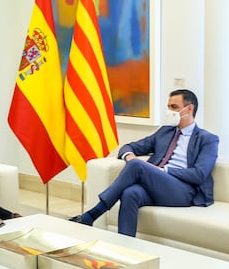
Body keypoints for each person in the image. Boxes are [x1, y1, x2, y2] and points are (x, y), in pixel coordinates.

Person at [69, 89, 219, 237]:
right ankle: (126, 248)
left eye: (174, 107)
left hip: (184, 190)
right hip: (157, 185)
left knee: (137, 165)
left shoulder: (207, 139)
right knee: (130, 193)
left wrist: (163, 170)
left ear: (189, 109)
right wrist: (129, 156)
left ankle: (94, 213)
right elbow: (129, 147)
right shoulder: (165, 132)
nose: (169, 112)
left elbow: (199, 174)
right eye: (168, 107)